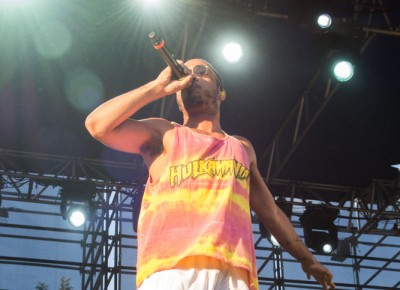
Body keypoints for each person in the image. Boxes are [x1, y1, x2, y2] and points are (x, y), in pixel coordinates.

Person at [85, 58, 336, 290]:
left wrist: (307, 258)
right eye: (186, 73)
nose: (192, 76)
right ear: (178, 97)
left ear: (221, 92)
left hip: (233, 270)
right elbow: (98, 126)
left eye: (201, 71)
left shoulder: (241, 147)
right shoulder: (165, 135)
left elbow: (269, 211)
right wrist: (158, 87)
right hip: (170, 267)